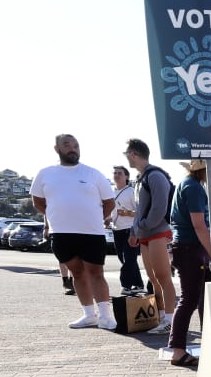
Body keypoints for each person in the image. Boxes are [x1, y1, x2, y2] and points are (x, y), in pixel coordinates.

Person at [30, 134, 117, 329]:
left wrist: (94, 217)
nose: (72, 148)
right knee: (77, 273)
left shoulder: (93, 173)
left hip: (92, 233)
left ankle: (105, 316)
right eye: (67, 145)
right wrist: (57, 214)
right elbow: (38, 202)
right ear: (57, 148)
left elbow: (109, 202)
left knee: (96, 273)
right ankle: (89, 315)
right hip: (61, 233)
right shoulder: (45, 173)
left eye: (76, 145)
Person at [168, 159, 211, 367]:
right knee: (190, 300)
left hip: (186, 246)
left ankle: (201, 344)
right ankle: (177, 350)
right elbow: (199, 225)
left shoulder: (187, 184)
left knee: (198, 299)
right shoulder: (194, 188)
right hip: (190, 247)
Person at [124, 138, 177, 335]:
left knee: (164, 277)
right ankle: (161, 315)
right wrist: (134, 231)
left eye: (127, 154)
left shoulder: (155, 176)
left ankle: (169, 320)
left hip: (158, 232)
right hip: (145, 234)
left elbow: (159, 207)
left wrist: (142, 226)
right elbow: (139, 209)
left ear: (133, 154)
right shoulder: (140, 178)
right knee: (153, 278)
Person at [109, 165, 146, 295]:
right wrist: (108, 219)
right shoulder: (110, 192)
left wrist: (128, 213)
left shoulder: (131, 191)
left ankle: (126, 285)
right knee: (124, 259)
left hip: (130, 229)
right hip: (116, 229)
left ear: (126, 177)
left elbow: (141, 212)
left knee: (129, 259)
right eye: (115, 173)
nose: (116, 175)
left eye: (120, 173)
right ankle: (139, 284)